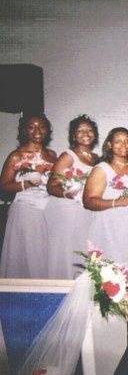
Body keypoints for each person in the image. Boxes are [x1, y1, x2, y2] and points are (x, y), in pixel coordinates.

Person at [83, 127, 128, 335]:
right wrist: (115, 202)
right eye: (118, 141)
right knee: (117, 272)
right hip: (112, 229)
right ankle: (116, 322)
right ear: (109, 145)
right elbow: (88, 201)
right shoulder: (102, 168)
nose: (123, 145)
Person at [0, 114, 57, 278]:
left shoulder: (53, 155)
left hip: (49, 211)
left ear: (47, 130)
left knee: (46, 255)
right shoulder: (16, 156)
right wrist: (29, 182)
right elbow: (3, 185)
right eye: (32, 127)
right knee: (29, 257)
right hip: (26, 210)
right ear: (25, 130)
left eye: (41, 127)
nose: (37, 131)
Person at [44, 115, 99, 279]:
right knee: (68, 251)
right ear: (73, 135)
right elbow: (51, 186)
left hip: (87, 211)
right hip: (67, 210)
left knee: (83, 250)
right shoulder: (68, 156)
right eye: (80, 130)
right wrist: (69, 193)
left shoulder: (97, 158)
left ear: (95, 135)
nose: (86, 133)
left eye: (89, 130)